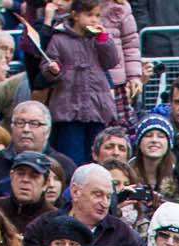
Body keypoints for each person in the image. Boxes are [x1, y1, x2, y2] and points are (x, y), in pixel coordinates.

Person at [43, 0, 124, 167]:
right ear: (75, 15)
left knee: (97, 155)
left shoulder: (97, 38)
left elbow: (111, 61)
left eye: (97, 16)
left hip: (96, 106)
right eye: (89, 15)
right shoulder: (59, 38)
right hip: (68, 108)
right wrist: (53, 69)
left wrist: (103, 39)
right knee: (72, 157)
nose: (94, 20)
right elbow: (48, 64)